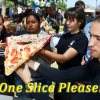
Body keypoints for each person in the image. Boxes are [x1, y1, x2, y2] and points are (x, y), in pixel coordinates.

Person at [16, 15, 100, 100]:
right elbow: (62, 76)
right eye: (90, 35)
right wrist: (27, 61)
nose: (90, 44)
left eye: (98, 38)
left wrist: (28, 82)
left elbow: (62, 58)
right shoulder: (95, 63)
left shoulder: (81, 39)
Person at [14, 12, 52, 100]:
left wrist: (39, 49)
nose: (30, 25)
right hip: (23, 79)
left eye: (33, 22)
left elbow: (53, 59)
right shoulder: (20, 37)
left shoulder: (48, 38)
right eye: (28, 22)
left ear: (39, 23)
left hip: (43, 79)